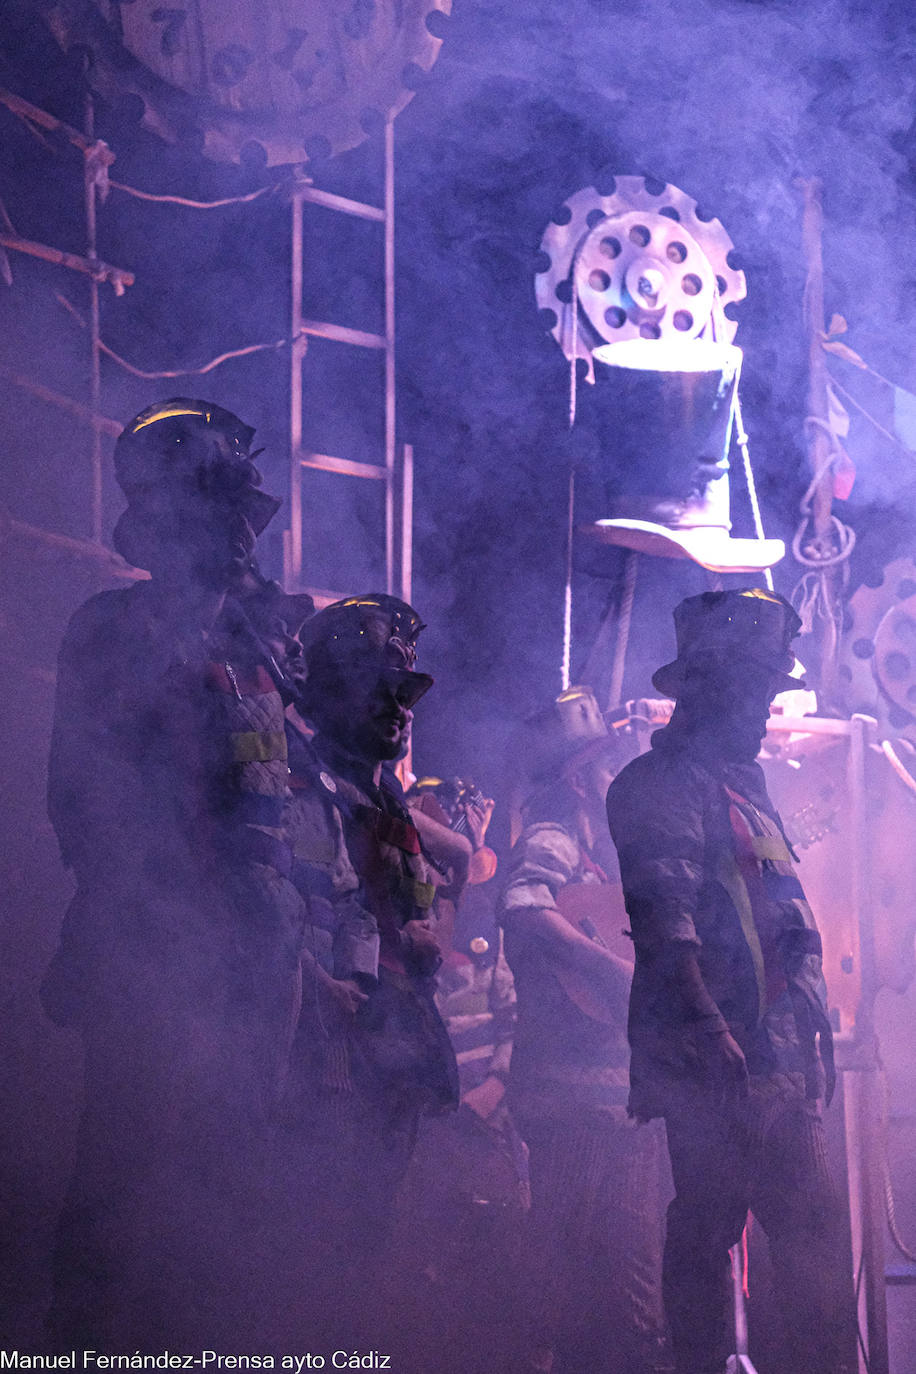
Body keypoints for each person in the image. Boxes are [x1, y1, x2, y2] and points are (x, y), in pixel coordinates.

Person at [42, 398, 308, 1347]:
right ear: (166, 523)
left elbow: (308, 792)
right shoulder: (112, 629)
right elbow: (85, 795)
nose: (242, 531)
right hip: (152, 945)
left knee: (238, 1183)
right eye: (219, 508)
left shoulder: (275, 637)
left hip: (261, 947)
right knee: (122, 1178)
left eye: (244, 509)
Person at [605, 588, 855, 1374]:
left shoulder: (746, 785)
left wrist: (811, 1044)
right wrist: (712, 1037)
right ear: (706, 688)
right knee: (713, 1231)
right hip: (723, 1067)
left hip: (777, 1065)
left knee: (807, 1242)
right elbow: (668, 922)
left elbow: (776, 920)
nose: (763, 710)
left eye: (768, 691)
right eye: (752, 691)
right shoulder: (662, 784)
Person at [273, 594, 459, 1350]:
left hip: (389, 1064)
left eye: (405, 696)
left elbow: (423, 909)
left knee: (365, 1256)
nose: (397, 711)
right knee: (309, 1262)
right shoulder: (296, 781)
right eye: (380, 693)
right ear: (332, 693)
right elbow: (273, 908)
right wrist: (321, 990)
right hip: (325, 1068)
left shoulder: (387, 800)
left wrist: (428, 930)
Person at [500, 686, 671, 1374]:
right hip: (576, 1098)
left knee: (586, 1269)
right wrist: (609, 969)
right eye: (606, 765)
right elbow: (521, 902)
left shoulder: (603, 856)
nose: (618, 776)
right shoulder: (555, 833)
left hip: (605, 1099)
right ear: (579, 775)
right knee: (597, 1272)